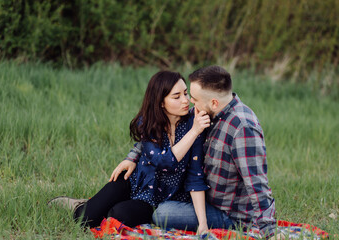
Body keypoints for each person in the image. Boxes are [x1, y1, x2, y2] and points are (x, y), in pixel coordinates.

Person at [112, 66, 283, 239]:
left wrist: (269, 230)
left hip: (229, 213)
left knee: (163, 214)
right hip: (202, 197)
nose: (189, 102)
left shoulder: (243, 129)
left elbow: (257, 184)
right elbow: (160, 134)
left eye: (194, 98)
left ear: (214, 102)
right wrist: (133, 157)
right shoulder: (205, 113)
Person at [48, 71, 211, 233]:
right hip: (135, 181)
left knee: (117, 215)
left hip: (159, 200)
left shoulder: (193, 124)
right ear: (161, 102)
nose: (186, 100)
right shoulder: (148, 123)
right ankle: (82, 205)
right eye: (177, 97)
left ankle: (107, 206)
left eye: (185, 93)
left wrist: (202, 223)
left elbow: (195, 175)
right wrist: (194, 132)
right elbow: (163, 161)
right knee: (84, 219)